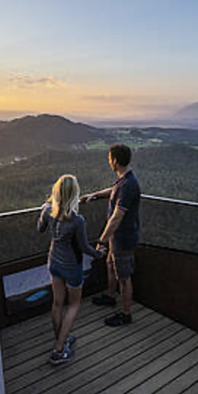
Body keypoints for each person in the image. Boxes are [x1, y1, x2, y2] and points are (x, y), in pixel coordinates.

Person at [38, 174, 105, 364]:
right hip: (71, 267)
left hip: (54, 263)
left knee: (57, 303)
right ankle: (59, 350)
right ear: (74, 194)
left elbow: (40, 229)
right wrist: (98, 253)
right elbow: (84, 247)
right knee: (74, 304)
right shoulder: (77, 220)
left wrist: (42, 210)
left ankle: (61, 340)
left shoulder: (48, 210)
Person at [82, 144, 141, 326]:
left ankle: (126, 314)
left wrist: (101, 241)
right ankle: (110, 296)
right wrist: (94, 195)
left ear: (115, 161)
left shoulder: (129, 184)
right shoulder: (124, 181)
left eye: (109, 159)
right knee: (110, 266)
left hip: (123, 239)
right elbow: (113, 191)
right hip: (117, 239)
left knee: (123, 277)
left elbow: (116, 218)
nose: (108, 162)